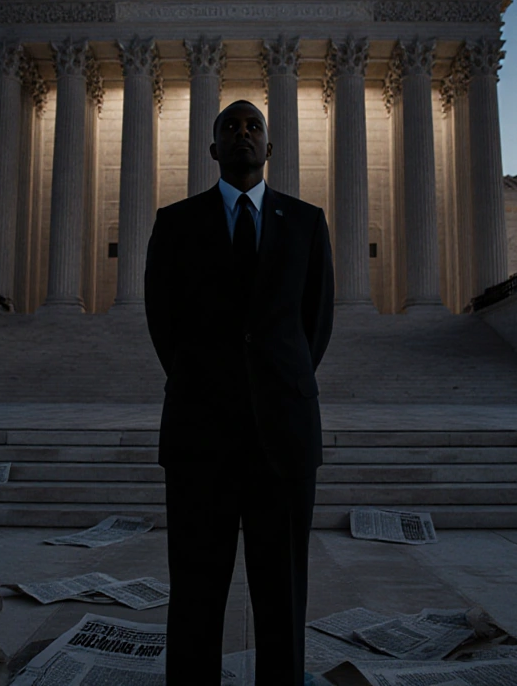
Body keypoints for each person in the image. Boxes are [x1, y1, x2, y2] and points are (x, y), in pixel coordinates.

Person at [145, 100, 334, 685]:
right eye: (231, 127)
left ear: (270, 148)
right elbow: (163, 322)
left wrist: (274, 384)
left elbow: (316, 326)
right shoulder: (174, 223)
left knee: (283, 594)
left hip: (284, 434)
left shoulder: (306, 222)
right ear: (212, 149)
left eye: (254, 127)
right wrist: (210, 383)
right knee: (196, 592)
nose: (243, 135)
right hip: (202, 436)